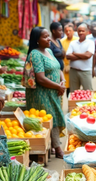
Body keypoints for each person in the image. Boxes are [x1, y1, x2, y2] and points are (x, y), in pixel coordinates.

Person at [25, 27, 66, 158]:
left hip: (53, 91)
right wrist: (58, 87)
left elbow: (57, 67)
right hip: (42, 94)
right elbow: (40, 78)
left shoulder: (48, 50)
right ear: (37, 40)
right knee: (49, 117)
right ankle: (58, 148)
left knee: (54, 115)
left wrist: (63, 80)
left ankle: (52, 145)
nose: (49, 39)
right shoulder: (35, 54)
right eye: (45, 37)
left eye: (48, 36)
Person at [66, 23, 95, 90]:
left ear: (87, 32)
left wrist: (75, 54)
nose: (81, 32)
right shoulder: (73, 43)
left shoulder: (90, 43)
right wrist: (83, 56)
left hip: (85, 71)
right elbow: (68, 56)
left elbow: (88, 55)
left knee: (88, 92)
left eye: (83, 31)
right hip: (73, 71)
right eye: (79, 31)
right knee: (74, 93)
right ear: (77, 32)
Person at [61, 24, 78, 94]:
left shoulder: (77, 40)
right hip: (66, 68)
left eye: (70, 31)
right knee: (67, 87)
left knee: (75, 88)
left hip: (75, 67)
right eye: (66, 31)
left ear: (73, 31)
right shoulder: (62, 41)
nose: (68, 32)